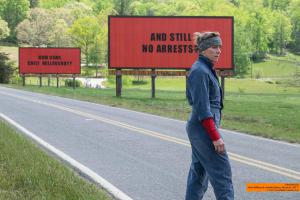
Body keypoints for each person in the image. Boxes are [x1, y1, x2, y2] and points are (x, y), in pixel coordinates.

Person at [185, 32, 234, 200]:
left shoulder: (205, 68)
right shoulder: (200, 71)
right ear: (204, 49)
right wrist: (215, 136)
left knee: (198, 173)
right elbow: (202, 108)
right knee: (222, 174)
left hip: (200, 127)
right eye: (214, 47)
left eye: (220, 47)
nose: (218, 51)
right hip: (203, 128)